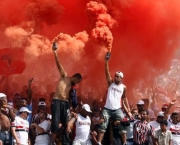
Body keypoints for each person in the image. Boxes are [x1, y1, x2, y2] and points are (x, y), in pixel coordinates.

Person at [51, 42, 82, 145]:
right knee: (55, 123)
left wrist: (73, 107)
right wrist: (55, 52)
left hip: (65, 104)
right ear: (76, 78)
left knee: (66, 124)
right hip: (57, 101)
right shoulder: (65, 76)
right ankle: (52, 142)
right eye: (78, 81)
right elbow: (58, 64)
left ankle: (65, 143)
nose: (77, 83)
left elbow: (72, 99)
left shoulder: (73, 88)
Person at [97, 53, 130, 145]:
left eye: (118, 76)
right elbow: (107, 73)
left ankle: (124, 143)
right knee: (103, 124)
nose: (116, 77)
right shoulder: (111, 83)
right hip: (107, 108)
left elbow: (124, 98)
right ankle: (99, 142)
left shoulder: (124, 87)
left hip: (117, 109)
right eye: (115, 76)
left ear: (121, 78)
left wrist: (128, 110)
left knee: (121, 124)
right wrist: (106, 62)